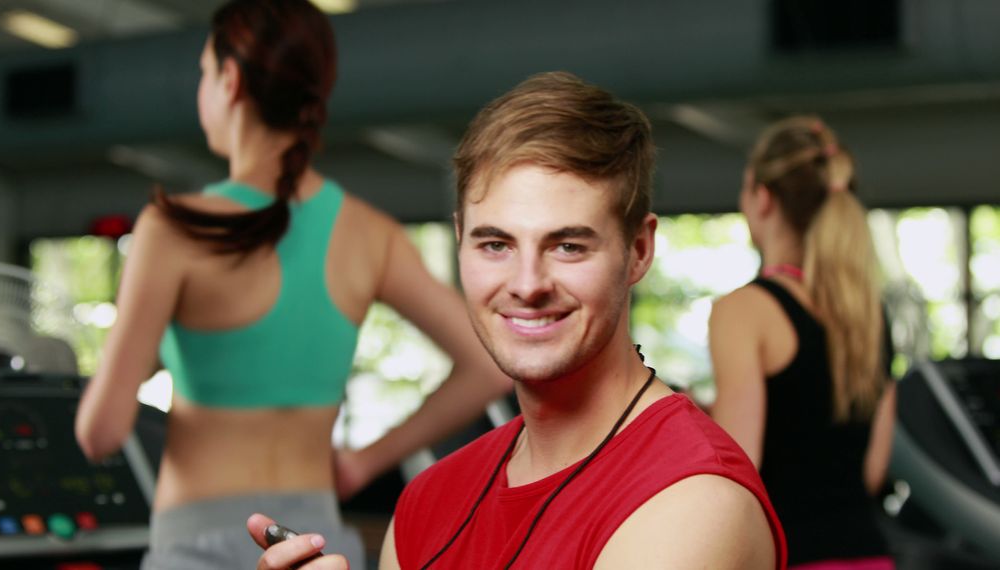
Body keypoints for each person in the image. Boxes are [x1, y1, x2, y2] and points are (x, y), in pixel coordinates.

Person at [250, 71, 788, 569]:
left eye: (569, 245)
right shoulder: (428, 502)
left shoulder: (692, 501)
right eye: (496, 244)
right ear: (461, 240)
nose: (527, 285)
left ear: (639, 251)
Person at [73, 1, 512, 568]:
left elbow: (99, 433)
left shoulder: (174, 228)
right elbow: (490, 362)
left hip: (194, 546)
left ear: (229, 80)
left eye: (204, 73)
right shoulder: (370, 234)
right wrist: (364, 462)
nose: (203, 89)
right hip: (316, 548)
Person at [706, 116, 897, 569]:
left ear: (762, 198)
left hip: (790, 557)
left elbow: (739, 470)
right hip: (869, 556)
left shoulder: (744, 310)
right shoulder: (870, 316)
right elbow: (870, 474)